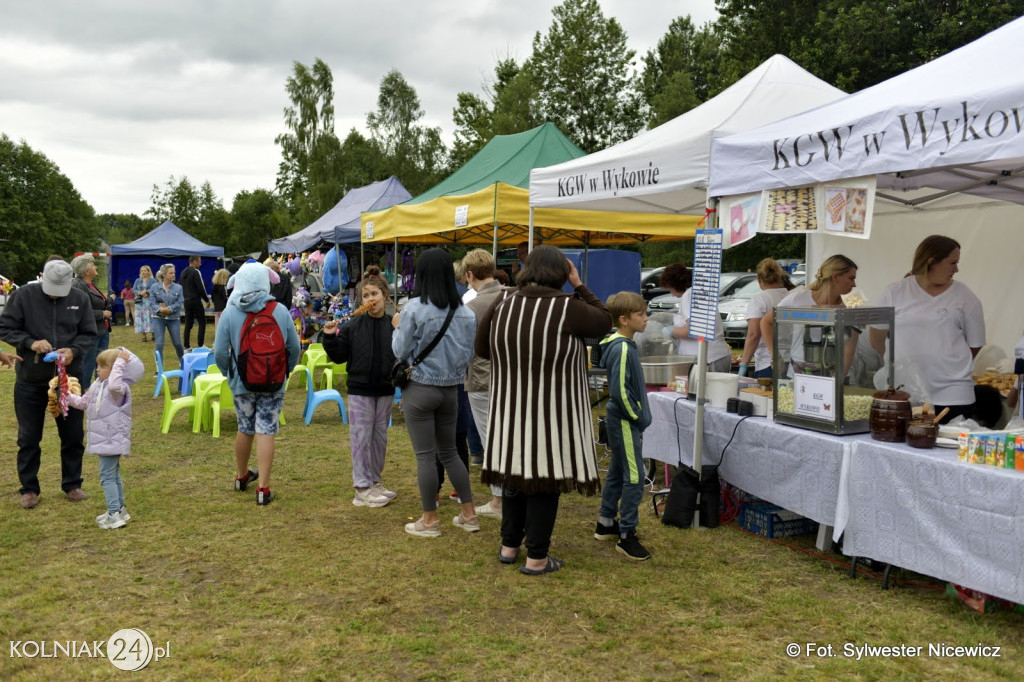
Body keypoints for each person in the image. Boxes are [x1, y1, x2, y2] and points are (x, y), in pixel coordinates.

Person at [476, 245, 610, 574]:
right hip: (553, 411)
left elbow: (481, 347)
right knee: (544, 480)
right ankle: (537, 557)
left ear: (527, 267)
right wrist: (579, 285)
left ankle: (509, 547)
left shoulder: (504, 300)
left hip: (509, 408)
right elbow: (605, 322)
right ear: (562, 272)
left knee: (515, 477)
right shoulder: (568, 307)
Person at [391, 248, 477, 537]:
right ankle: (469, 513)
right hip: (451, 390)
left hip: (420, 388)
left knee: (426, 456)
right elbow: (470, 353)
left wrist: (395, 328)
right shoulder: (466, 313)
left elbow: (400, 351)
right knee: (451, 452)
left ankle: (429, 520)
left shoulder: (414, 308)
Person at [0, 259, 97, 509]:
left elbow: (89, 333)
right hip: (30, 380)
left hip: (69, 381)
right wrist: (30, 342)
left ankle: (73, 484)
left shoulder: (80, 298)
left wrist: (74, 351)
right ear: (43, 278)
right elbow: (6, 327)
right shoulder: (23, 295)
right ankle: (29, 488)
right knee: (29, 437)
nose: (56, 294)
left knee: (73, 435)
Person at [869, 236, 985, 424]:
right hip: (904, 392)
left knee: (948, 450)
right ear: (931, 261)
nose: (957, 269)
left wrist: (948, 364)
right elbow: (876, 336)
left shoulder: (965, 297)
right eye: (952, 263)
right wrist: (894, 362)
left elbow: (975, 345)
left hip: (953, 394)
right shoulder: (895, 292)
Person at [214, 263, 301, 506]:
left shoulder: (230, 312)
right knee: (266, 429)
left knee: (245, 428)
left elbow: (220, 352)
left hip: (242, 381)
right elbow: (294, 348)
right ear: (267, 281)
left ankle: (242, 476)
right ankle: (263, 488)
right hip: (273, 380)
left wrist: (229, 373)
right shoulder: (280, 310)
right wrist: (286, 371)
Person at [322, 275, 397, 508]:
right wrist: (329, 337)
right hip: (360, 390)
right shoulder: (352, 326)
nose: (370, 299)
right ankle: (361, 487)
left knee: (379, 439)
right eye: (365, 295)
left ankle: (374, 481)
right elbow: (338, 356)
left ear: (384, 296)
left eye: (374, 294)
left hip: (385, 388)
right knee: (361, 438)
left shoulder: (392, 325)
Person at [595, 292, 653, 561]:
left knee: (618, 471)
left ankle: (606, 523)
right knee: (634, 476)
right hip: (625, 421)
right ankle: (627, 534)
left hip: (624, 420)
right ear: (624, 319)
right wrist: (638, 418)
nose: (646, 318)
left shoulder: (625, 345)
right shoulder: (622, 349)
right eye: (640, 314)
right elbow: (619, 391)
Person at [65, 348, 145, 529]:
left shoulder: (119, 388)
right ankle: (120, 509)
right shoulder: (97, 385)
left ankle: (113, 514)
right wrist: (66, 396)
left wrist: (119, 364)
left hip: (111, 439)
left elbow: (114, 385)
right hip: (105, 440)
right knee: (113, 475)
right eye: (97, 366)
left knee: (106, 477)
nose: (97, 370)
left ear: (118, 369)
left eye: (103, 366)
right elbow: (83, 403)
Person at [462, 248, 511, 520]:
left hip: (483, 380)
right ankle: (507, 495)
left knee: (490, 439)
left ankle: (499, 501)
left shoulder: (472, 308)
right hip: (511, 378)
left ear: (470, 275)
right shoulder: (512, 297)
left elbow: (465, 349)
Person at [762, 255, 859, 377]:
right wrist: (775, 356)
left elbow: (848, 351)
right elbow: (766, 322)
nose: (854, 284)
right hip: (797, 375)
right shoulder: (798, 298)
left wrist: (837, 382)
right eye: (851, 278)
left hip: (830, 375)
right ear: (835, 277)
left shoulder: (848, 308)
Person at [661, 263, 732, 373]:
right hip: (716, 355)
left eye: (670, 288)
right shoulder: (697, 293)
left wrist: (671, 331)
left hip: (708, 358)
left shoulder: (689, 296)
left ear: (674, 284)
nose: (671, 294)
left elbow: (696, 330)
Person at [737, 259, 793, 379]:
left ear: (759, 279)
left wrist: (743, 365)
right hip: (792, 361)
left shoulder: (760, 300)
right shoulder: (791, 297)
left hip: (768, 364)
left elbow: (754, 335)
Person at [70, 254, 112, 390]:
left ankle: (99, 392)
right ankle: (83, 393)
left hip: (101, 330)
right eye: (93, 265)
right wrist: (102, 314)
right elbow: (79, 311)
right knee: (87, 365)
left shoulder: (91, 285)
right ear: (86, 271)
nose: (95, 267)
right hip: (90, 333)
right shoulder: (77, 285)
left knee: (101, 363)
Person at [149, 263, 186, 368]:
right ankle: (159, 368)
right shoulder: (154, 287)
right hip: (158, 318)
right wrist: (161, 309)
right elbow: (152, 302)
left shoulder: (178, 288)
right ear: (164, 275)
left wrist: (169, 309)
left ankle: (182, 363)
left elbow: (180, 302)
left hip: (173, 318)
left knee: (177, 343)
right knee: (159, 344)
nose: (174, 275)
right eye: (171, 273)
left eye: (174, 272)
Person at [180, 255, 211, 351]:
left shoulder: (183, 272)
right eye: (199, 261)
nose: (200, 264)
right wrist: (206, 300)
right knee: (202, 322)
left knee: (188, 323)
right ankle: (200, 345)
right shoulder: (196, 272)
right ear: (194, 261)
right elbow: (201, 287)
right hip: (195, 300)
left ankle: (186, 346)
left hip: (187, 301)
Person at [132, 265, 156, 342]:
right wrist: (140, 293)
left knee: (151, 317)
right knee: (141, 318)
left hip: (149, 302)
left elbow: (155, 289)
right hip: (140, 302)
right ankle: (144, 336)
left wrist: (147, 292)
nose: (143, 272)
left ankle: (153, 334)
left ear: (148, 271)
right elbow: (134, 289)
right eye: (142, 271)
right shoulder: (137, 280)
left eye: (145, 270)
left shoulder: (153, 280)